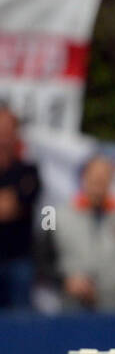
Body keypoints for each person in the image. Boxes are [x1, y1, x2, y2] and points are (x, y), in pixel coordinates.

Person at [36, 154, 115, 314]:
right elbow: (42, 262)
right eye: (94, 177)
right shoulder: (56, 216)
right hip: (70, 310)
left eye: (104, 177)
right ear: (83, 178)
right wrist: (64, 282)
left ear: (112, 180)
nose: (99, 182)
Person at [0, 107, 41, 311]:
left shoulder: (28, 171)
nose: (4, 135)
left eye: (8, 129)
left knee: (21, 324)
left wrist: (11, 204)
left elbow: (14, 206)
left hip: (19, 260)